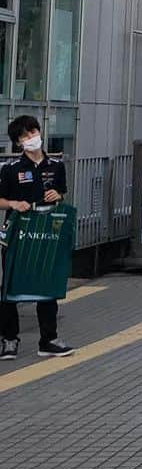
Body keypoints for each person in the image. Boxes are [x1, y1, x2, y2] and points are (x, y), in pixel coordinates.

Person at [0, 116, 74, 360]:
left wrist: (57, 196)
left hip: (47, 231)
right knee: (11, 286)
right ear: (18, 143)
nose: (31, 138)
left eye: (33, 132)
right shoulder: (11, 170)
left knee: (47, 284)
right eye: (24, 136)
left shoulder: (55, 165)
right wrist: (12, 203)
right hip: (18, 230)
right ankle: (9, 340)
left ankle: (49, 340)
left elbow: (61, 194)